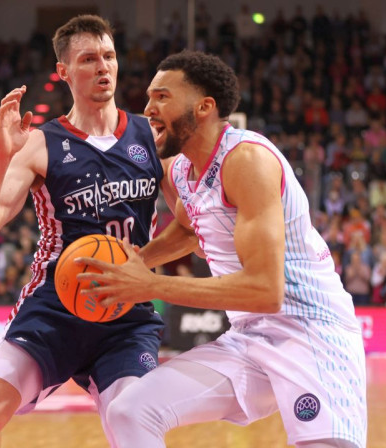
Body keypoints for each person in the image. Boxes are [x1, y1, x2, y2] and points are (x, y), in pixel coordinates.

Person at [78, 51, 367, 448]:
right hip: (249, 338)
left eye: (162, 96)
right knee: (130, 411)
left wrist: (148, 285)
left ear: (204, 107)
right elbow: (189, 228)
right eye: (149, 97)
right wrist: (132, 264)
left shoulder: (247, 160)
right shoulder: (182, 168)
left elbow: (265, 291)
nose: (148, 108)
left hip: (312, 333)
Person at [0, 15, 165, 448]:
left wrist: (144, 266)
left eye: (109, 56)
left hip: (125, 314)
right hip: (54, 308)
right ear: (64, 71)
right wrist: (0, 158)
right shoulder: (41, 143)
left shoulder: (150, 136)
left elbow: (188, 224)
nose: (103, 66)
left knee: (135, 424)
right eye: (88, 59)